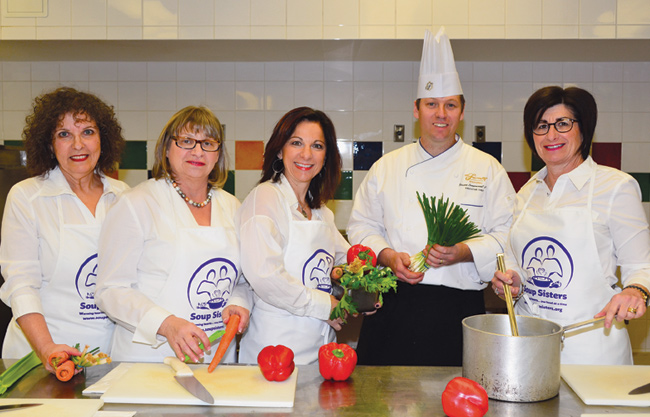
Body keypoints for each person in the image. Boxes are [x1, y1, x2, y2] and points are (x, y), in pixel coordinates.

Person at [346, 28, 516, 366]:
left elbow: (508, 235)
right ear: (416, 109)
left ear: (462, 112)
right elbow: (361, 226)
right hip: (393, 307)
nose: (441, 114)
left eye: (450, 105)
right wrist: (388, 255)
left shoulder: (488, 169)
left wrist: (463, 252)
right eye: (432, 104)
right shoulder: (387, 167)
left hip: (460, 312)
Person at [491, 86, 650, 365]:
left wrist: (635, 291)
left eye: (563, 123)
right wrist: (513, 281)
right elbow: (516, 263)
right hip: (530, 348)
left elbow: (642, 267)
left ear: (583, 129)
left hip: (593, 351)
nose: (551, 135)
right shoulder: (526, 194)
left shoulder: (615, 187)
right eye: (541, 126)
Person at [95, 106, 251, 363]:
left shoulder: (233, 207)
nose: (198, 151)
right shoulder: (136, 204)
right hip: (150, 358)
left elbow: (244, 281)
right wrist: (167, 324)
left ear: (218, 155)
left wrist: (239, 302)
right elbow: (110, 290)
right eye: (187, 141)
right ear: (167, 149)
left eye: (208, 143)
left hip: (216, 358)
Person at [0, 87, 128, 373]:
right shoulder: (27, 197)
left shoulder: (124, 197)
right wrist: (48, 349)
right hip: (39, 357)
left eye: (88, 132)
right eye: (64, 134)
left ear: (103, 140)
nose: (78, 144)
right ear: (49, 144)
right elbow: (21, 284)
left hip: (108, 358)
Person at [236, 106, 349, 365]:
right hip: (275, 353)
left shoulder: (321, 211)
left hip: (322, 350)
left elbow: (347, 263)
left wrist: (363, 291)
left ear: (326, 156)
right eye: (296, 143)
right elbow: (265, 278)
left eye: (317, 146)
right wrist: (326, 306)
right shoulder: (264, 199)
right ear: (279, 149)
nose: (306, 154)